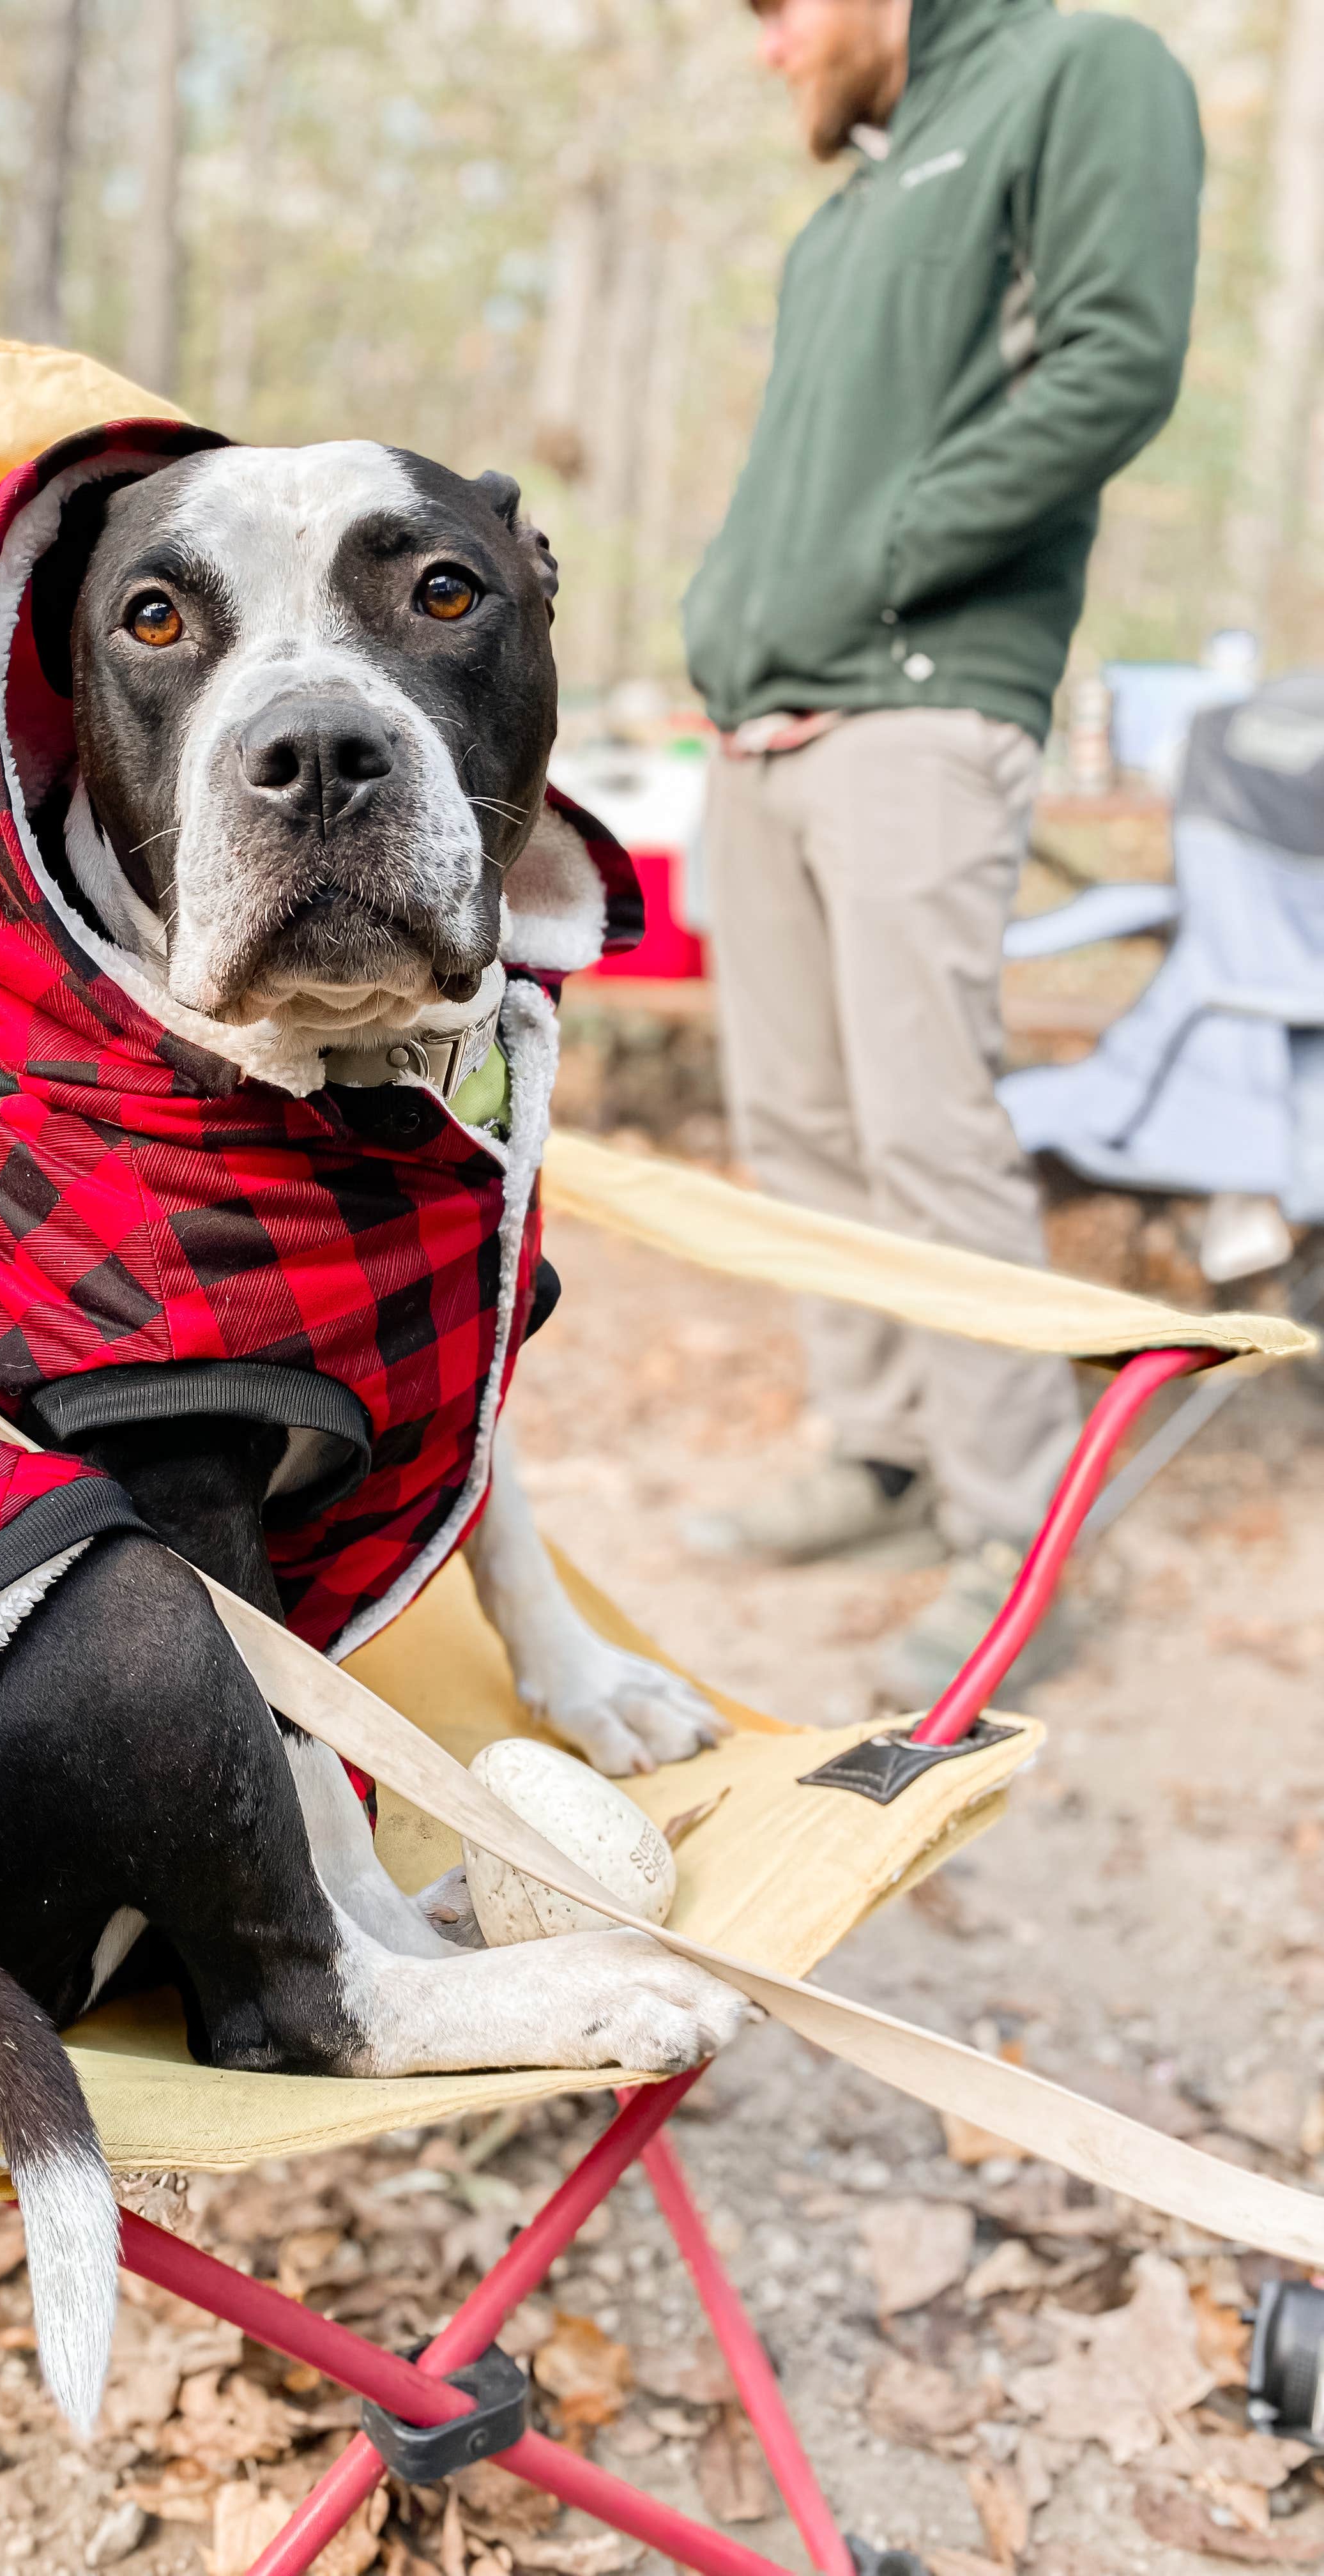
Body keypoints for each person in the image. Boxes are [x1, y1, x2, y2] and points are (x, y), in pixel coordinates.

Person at [680, 0, 1203, 1704]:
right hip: (763, 730)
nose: (768, 49)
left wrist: (886, 561)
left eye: (774, 12)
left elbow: (1117, 361)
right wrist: (734, 613)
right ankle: (887, 1455)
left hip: (922, 705)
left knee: (928, 1127)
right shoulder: (848, 214)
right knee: (803, 1125)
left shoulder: (1078, 71)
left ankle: (1017, 1530)